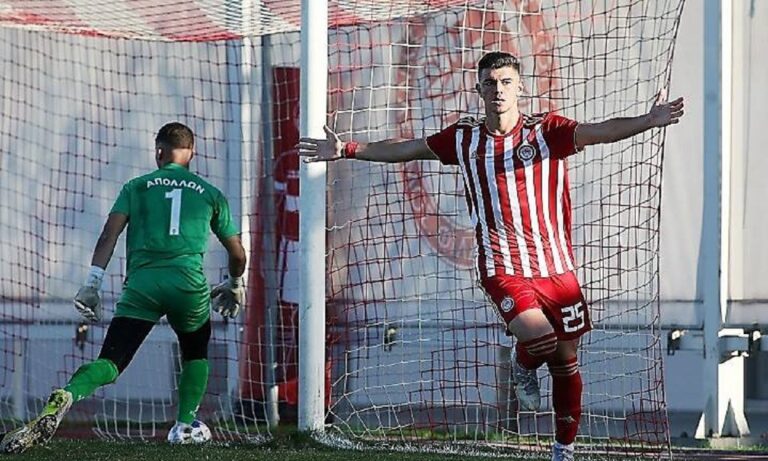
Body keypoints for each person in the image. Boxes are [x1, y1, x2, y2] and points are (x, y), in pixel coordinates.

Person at [298, 51, 684, 461]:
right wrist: (349, 148)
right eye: (489, 83)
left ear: (520, 88)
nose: (497, 90)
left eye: (505, 82)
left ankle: (563, 448)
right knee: (540, 339)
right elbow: (409, 148)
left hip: (557, 268)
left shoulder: (546, 131)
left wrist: (648, 120)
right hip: (502, 265)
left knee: (566, 361)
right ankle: (522, 363)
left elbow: (600, 131)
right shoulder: (464, 138)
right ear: (479, 89)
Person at [0, 122, 247, 454]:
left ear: (158, 152)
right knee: (195, 351)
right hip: (188, 287)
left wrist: (92, 284)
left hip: (142, 287)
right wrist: (234, 283)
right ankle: (184, 425)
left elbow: (109, 235)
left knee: (111, 361)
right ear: (192, 153)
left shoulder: (137, 187)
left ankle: (67, 393)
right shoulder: (210, 193)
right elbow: (237, 252)